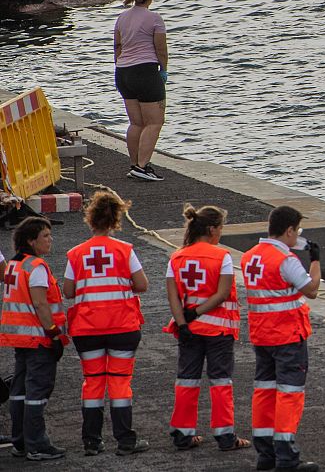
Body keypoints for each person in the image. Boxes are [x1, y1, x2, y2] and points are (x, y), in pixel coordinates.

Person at [62, 188, 149, 456]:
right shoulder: (125, 250)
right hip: (123, 326)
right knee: (120, 383)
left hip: (87, 329)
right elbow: (142, 284)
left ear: (91, 218)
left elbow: (68, 291)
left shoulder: (76, 254)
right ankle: (125, 440)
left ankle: (91, 441)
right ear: (116, 219)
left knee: (93, 382)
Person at [241, 206, 322, 472]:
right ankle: (287, 455)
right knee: (289, 393)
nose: (297, 235)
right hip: (287, 335)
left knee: (264, 392)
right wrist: (315, 261)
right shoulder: (284, 259)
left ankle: (265, 454)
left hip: (261, 334)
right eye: (296, 231)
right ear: (289, 231)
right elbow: (311, 290)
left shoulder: (250, 257)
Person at [164, 204, 245, 452]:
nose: (221, 233)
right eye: (220, 228)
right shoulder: (222, 257)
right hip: (218, 331)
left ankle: (182, 433)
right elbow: (221, 294)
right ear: (211, 229)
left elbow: (173, 296)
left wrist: (182, 322)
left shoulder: (176, 257)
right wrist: (197, 312)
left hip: (188, 330)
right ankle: (225, 435)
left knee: (186, 380)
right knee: (220, 381)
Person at [2, 217, 68, 461]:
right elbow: (40, 303)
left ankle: (19, 442)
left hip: (17, 337)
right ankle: (37, 444)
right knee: (38, 391)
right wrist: (54, 333)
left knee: (19, 390)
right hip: (38, 337)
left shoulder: (14, 264)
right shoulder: (36, 266)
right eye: (45, 236)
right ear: (31, 241)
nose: (50, 240)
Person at [114, 0, 168, 182]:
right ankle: (143, 167)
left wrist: (117, 69)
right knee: (154, 122)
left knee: (136, 123)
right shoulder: (154, 18)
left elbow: (117, 47)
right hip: (145, 72)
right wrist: (164, 70)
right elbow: (161, 50)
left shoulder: (122, 17)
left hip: (123, 72)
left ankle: (135, 164)